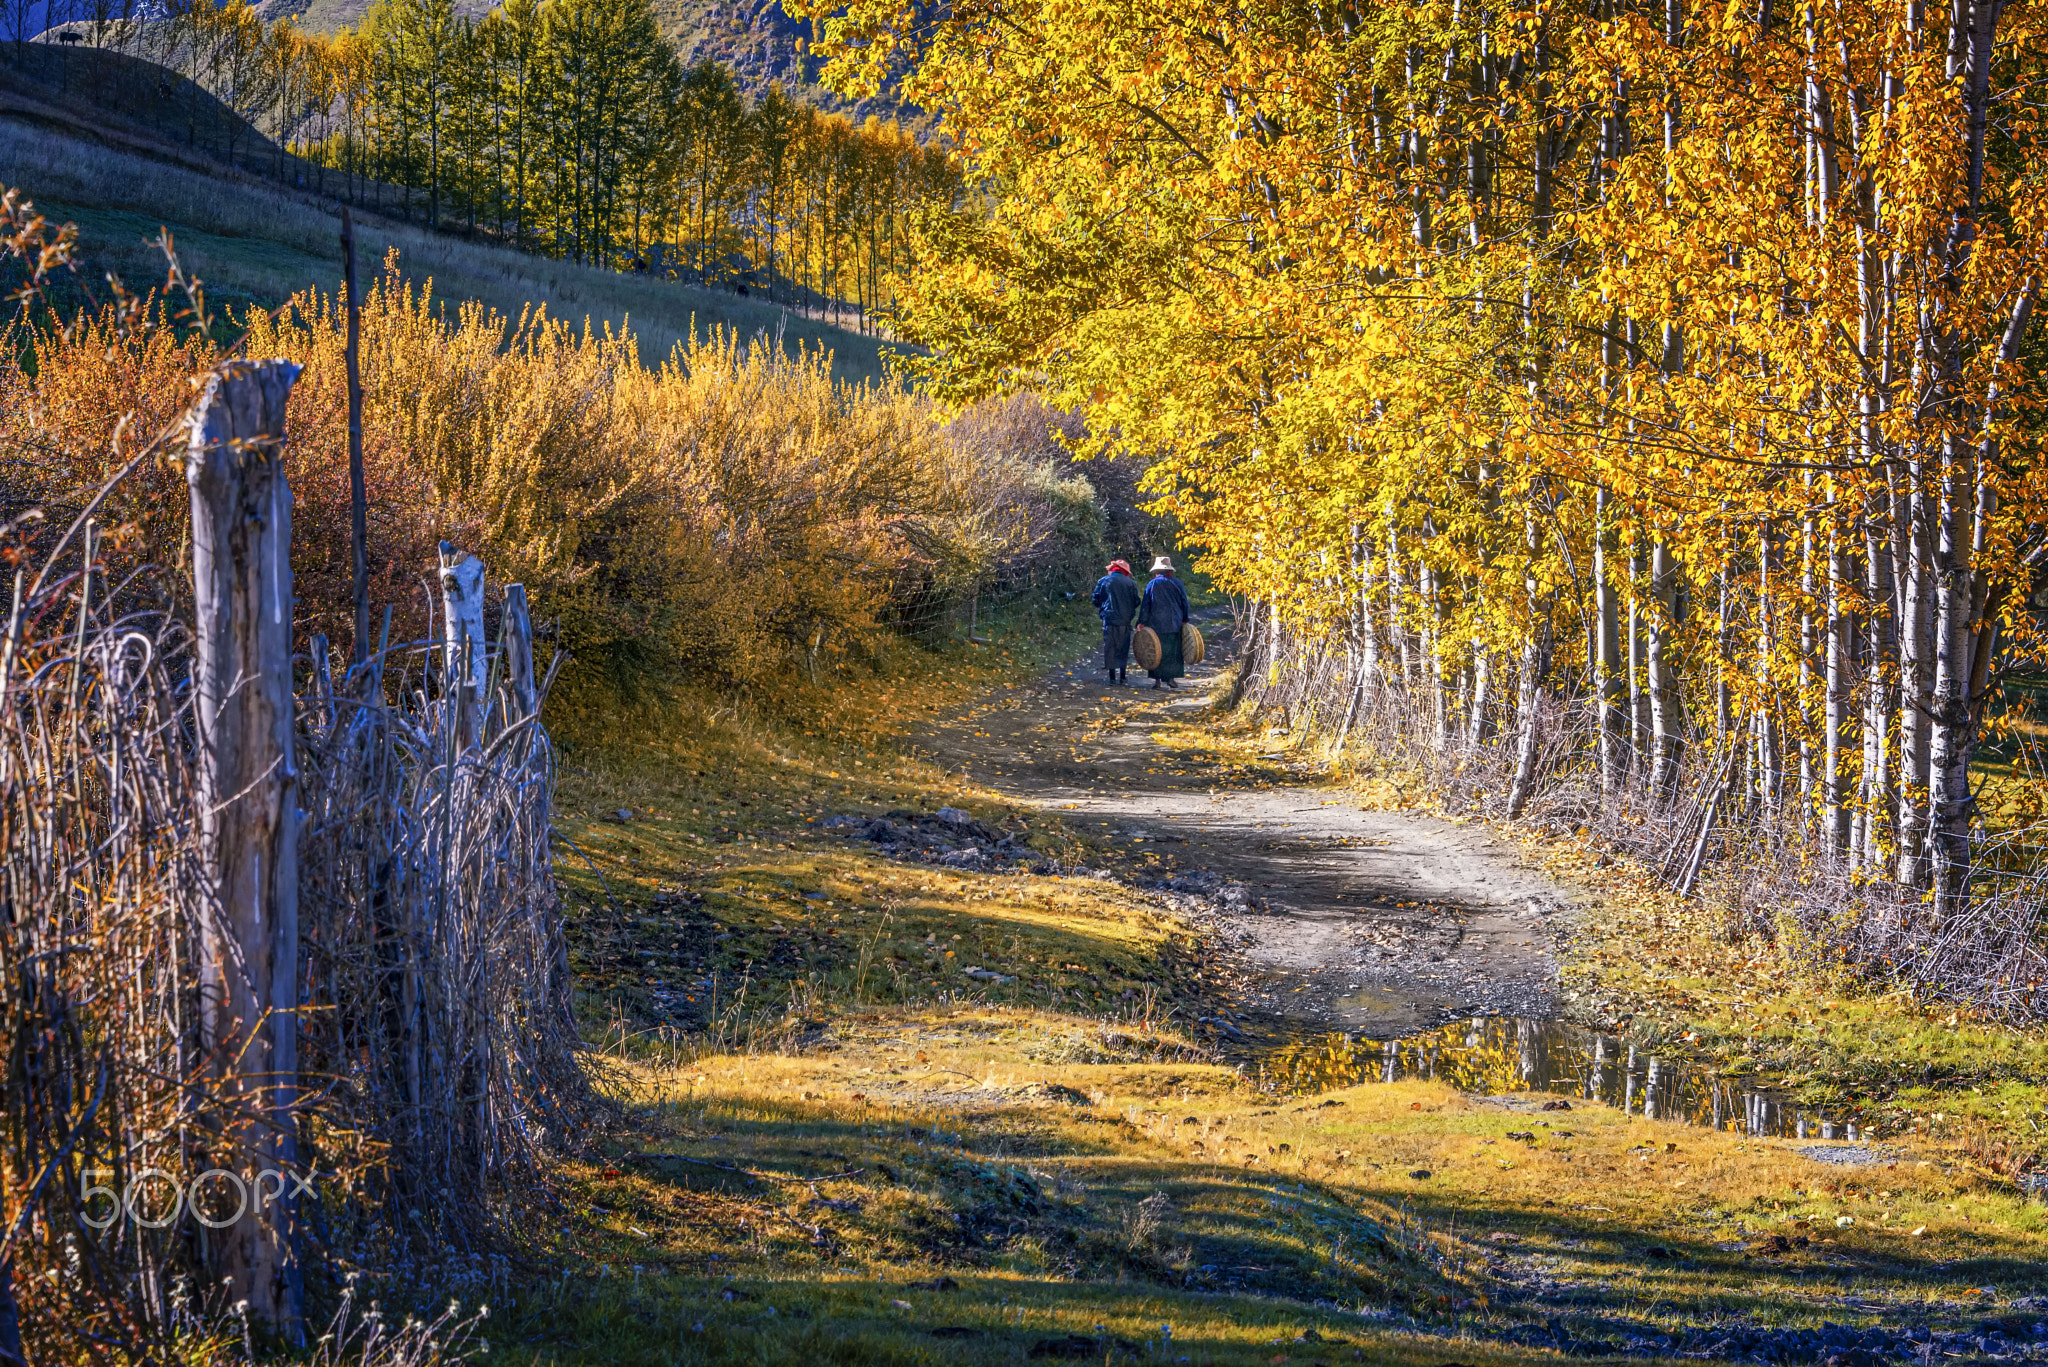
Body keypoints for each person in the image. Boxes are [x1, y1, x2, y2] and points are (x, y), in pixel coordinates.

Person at [1137, 555, 1191, 689]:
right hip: (1174, 623)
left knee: (1156, 650)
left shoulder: (1152, 584)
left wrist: (1141, 621)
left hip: (1156, 624)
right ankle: (1171, 678)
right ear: (1169, 571)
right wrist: (1185, 619)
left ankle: (1157, 681)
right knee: (1172, 651)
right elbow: (1185, 602)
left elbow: (1146, 605)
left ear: (1157, 572)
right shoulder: (1177, 583)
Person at [1091, 559, 1141, 683]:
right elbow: (1136, 601)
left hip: (1108, 619)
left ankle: (1112, 677)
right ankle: (1123, 676)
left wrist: (1103, 608)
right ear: (1124, 571)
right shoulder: (1131, 583)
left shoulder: (1103, 581)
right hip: (1125, 620)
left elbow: (1095, 600)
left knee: (1110, 646)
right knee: (1123, 647)